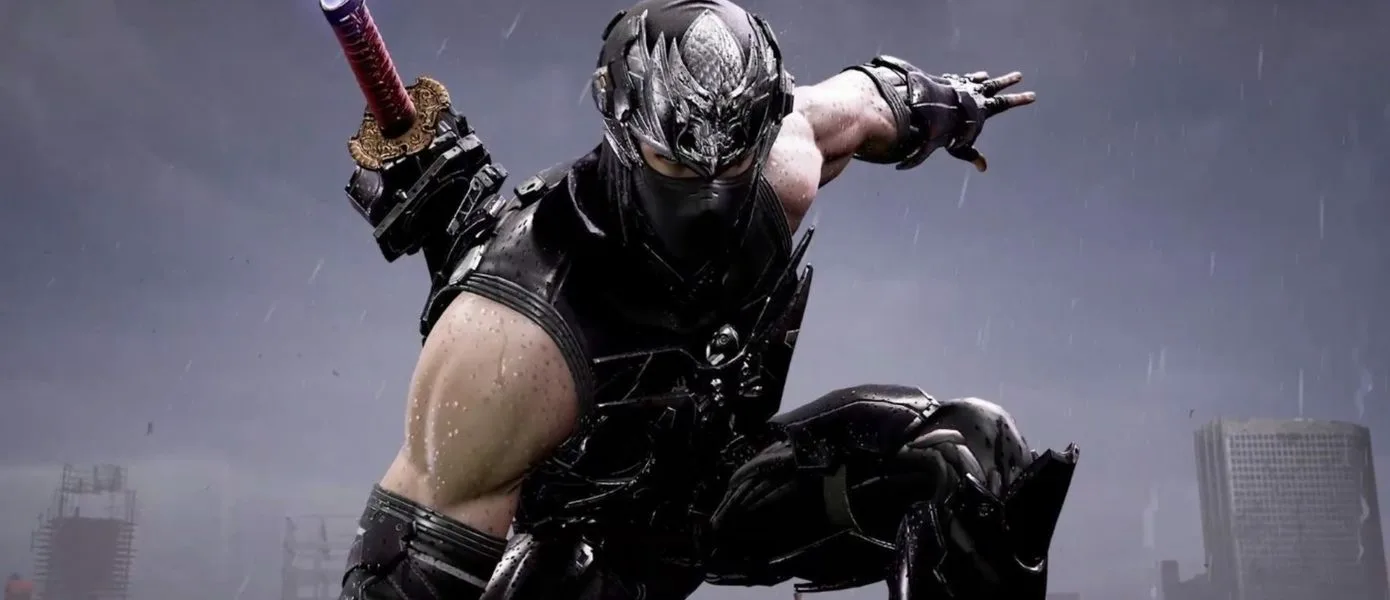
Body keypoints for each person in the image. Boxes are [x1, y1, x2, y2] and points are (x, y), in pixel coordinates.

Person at [337, 1, 1077, 599]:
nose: (711, 194)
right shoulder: (509, 345)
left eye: (736, 158)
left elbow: (875, 99)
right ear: (622, 132)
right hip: (578, 554)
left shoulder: (783, 161)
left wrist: (954, 106)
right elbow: (396, 572)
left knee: (966, 461)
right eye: (679, 163)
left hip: (719, 493)